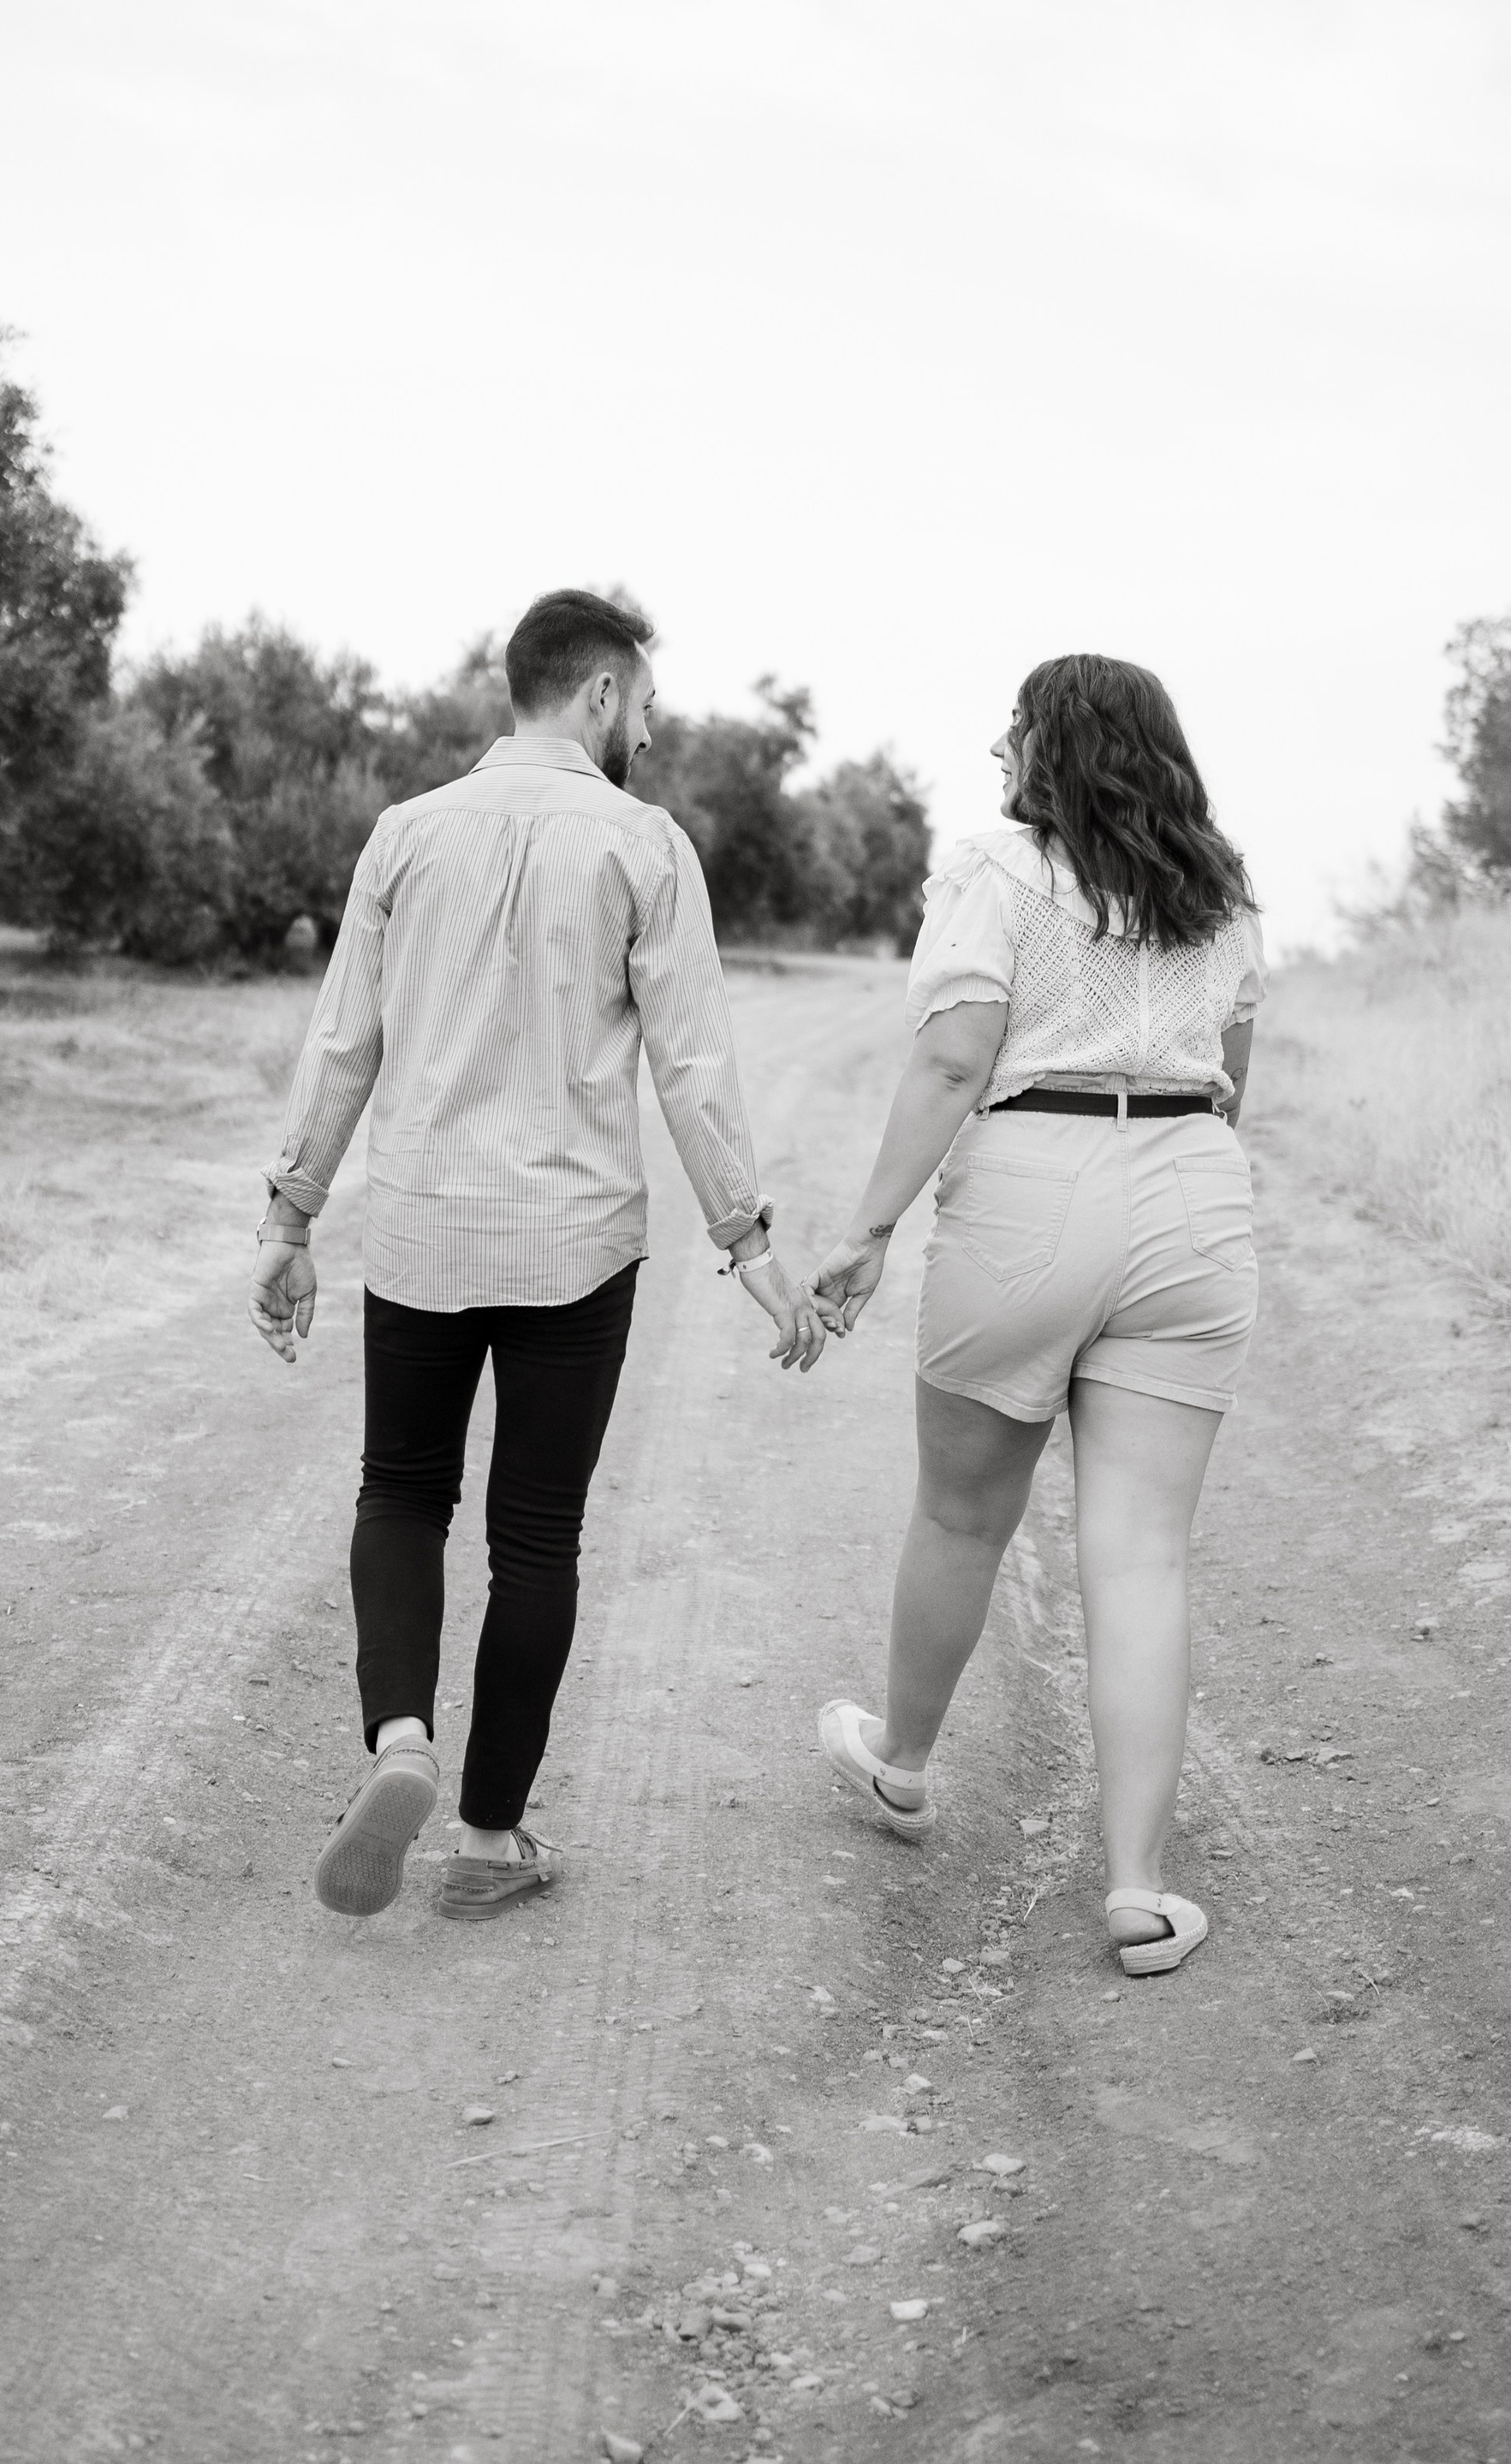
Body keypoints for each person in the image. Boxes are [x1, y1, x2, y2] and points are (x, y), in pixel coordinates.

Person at [250, 587, 825, 1921]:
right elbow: (692, 1064)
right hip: (574, 1242)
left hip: (419, 1227)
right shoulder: (644, 844)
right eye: (648, 711)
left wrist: (290, 1218)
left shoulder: (404, 834)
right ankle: (489, 1840)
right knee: (537, 1539)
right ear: (604, 695)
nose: (651, 739)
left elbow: (345, 1042)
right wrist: (750, 1246)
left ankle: (399, 1740)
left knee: (400, 1488)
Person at [809, 654, 1264, 1979]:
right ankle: (1136, 1890)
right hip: (1191, 1192)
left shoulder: (999, 874)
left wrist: (872, 1226)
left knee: (962, 1512)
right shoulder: (1224, 890)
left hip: (1030, 1185)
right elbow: (1235, 1078)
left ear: (1047, 748)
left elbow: (956, 1056)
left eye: (1012, 731)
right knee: (1144, 1558)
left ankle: (900, 1765)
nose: (998, 752)